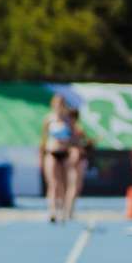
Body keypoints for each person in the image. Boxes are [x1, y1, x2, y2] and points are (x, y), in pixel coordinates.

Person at [40, 94, 75, 223]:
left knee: (63, 183)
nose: (59, 106)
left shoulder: (68, 120)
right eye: (57, 103)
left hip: (64, 153)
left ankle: (63, 209)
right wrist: (42, 155)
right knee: (53, 183)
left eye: (61, 103)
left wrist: (68, 141)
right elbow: (43, 139)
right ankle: (52, 210)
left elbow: (73, 137)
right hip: (51, 152)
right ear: (53, 104)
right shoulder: (48, 119)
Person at [65, 107, 93, 221]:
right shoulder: (68, 130)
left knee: (77, 186)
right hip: (73, 159)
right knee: (72, 185)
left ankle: (70, 209)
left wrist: (88, 143)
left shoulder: (78, 129)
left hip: (80, 159)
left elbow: (85, 142)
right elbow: (70, 145)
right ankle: (68, 210)